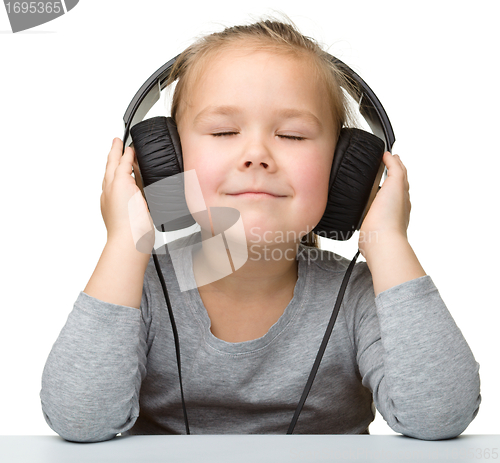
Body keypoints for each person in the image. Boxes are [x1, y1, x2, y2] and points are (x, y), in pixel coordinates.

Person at [40, 17, 481, 442]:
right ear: (164, 163)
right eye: (223, 131)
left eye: (292, 135)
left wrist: (389, 243)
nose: (256, 155)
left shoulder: (360, 296)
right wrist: (125, 241)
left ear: (346, 170)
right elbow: (80, 420)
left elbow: (439, 416)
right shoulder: (138, 289)